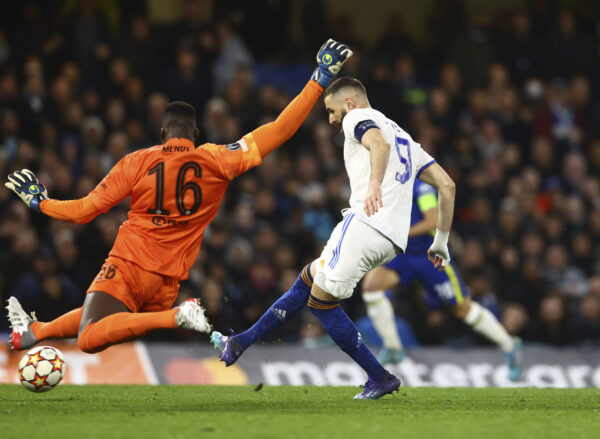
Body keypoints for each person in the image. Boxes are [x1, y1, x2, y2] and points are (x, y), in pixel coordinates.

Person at [5, 39, 353, 354]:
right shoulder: (217, 158)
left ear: (161, 133)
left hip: (129, 263)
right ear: (196, 134)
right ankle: (38, 331)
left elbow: (83, 211)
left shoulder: (136, 161)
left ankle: (174, 317)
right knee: (105, 314)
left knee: (89, 336)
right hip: (168, 280)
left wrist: (41, 202)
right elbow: (281, 128)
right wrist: (319, 78)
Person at [211, 76, 455, 399]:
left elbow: (377, 145)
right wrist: (441, 240)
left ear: (349, 103)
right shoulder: (406, 138)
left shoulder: (357, 117)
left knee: (322, 304)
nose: (331, 119)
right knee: (309, 278)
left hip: (366, 222)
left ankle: (379, 377)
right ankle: (240, 342)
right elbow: (448, 186)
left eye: (331, 110)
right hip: (392, 239)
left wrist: (374, 185)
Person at [361, 178, 524, 381]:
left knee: (462, 308)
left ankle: (510, 346)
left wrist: (401, 233)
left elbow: (432, 221)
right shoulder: (385, 183)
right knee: (371, 286)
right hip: (403, 253)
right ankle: (393, 346)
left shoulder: (421, 186)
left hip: (429, 256)